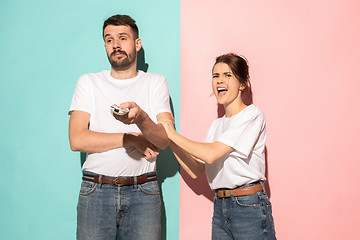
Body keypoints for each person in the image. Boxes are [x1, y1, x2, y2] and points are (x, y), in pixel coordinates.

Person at [68, 14, 172, 240]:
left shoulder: (155, 82)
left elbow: (164, 140)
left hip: (144, 192)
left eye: (123, 38)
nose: (115, 44)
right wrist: (131, 139)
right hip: (96, 189)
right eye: (109, 39)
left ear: (137, 43)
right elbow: (77, 140)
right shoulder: (88, 82)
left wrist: (141, 117)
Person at [161, 53, 276, 239]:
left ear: (242, 83)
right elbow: (196, 169)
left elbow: (211, 154)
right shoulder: (217, 125)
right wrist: (170, 141)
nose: (220, 81)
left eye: (227, 75)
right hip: (221, 206)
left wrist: (173, 134)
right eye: (215, 76)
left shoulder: (252, 115)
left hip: (248, 205)